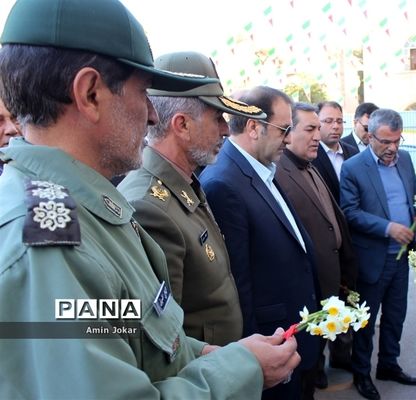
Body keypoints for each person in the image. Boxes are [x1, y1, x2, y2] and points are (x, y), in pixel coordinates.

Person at [0, 0, 299, 398]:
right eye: (143, 93)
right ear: (90, 94)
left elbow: (131, 332)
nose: (153, 116)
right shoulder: (49, 246)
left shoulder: (88, 213)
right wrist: (242, 368)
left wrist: (203, 354)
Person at [118, 51, 267, 345]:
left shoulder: (183, 181)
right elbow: (161, 335)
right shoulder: (148, 206)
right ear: (182, 125)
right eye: (217, 118)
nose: (226, 129)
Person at [200, 86, 320, 400]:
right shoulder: (223, 183)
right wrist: (254, 362)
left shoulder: (261, 168)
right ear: (254, 127)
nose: (289, 138)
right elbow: (237, 284)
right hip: (269, 349)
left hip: (289, 337)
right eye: (284, 129)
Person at [340, 108, 416, 400]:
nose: (392, 149)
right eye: (386, 142)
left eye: (397, 141)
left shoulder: (405, 162)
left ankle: (388, 364)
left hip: (402, 258)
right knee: (366, 322)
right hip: (373, 259)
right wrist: (388, 227)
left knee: (395, 316)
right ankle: (362, 373)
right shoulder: (353, 168)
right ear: (369, 135)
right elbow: (349, 212)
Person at [275, 102, 358, 393]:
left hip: (329, 283)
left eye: (318, 129)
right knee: (304, 373)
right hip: (305, 293)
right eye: (310, 129)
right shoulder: (277, 174)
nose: (317, 136)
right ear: (288, 131)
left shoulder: (310, 165)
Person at [312, 101, 358, 203]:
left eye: (339, 121)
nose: (336, 126)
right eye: (329, 121)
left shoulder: (353, 152)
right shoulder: (311, 155)